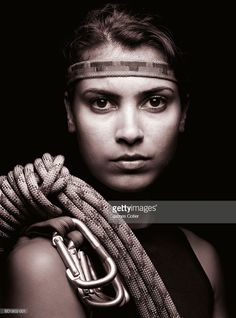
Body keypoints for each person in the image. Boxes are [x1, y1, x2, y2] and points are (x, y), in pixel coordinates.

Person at [0, 3, 228, 318]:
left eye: (155, 101)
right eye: (102, 102)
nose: (130, 132)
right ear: (70, 113)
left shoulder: (204, 257)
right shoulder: (42, 262)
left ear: (183, 113)